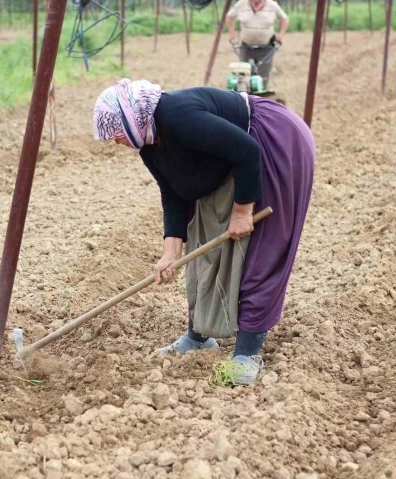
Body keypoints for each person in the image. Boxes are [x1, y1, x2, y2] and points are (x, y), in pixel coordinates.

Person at [92, 79, 315, 385]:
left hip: (274, 141)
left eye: (115, 130)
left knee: (261, 249)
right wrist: (169, 253)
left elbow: (248, 151)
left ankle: (247, 354)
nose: (115, 140)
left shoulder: (177, 116)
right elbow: (172, 192)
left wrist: (242, 212)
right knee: (204, 244)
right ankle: (198, 338)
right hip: (231, 159)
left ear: (131, 116)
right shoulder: (148, 142)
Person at [225, 0, 289, 88]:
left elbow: (284, 19)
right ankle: (244, 92)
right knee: (243, 70)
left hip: (266, 46)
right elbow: (229, 17)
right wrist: (231, 33)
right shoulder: (241, 4)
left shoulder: (272, 5)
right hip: (246, 45)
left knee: (264, 72)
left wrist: (281, 35)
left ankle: (262, 93)